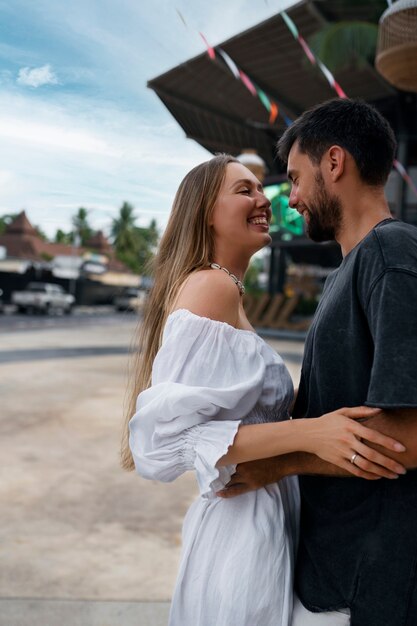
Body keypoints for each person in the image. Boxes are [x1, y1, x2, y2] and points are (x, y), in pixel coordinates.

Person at [121, 154, 405, 626]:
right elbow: (168, 440)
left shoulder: (227, 290)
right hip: (242, 527)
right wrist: (311, 434)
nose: (263, 200)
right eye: (244, 190)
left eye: (261, 189)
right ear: (205, 212)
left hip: (264, 512)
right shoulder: (212, 286)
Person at [219, 99, 417, 626]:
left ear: (334, 164)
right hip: (336, 573)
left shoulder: (391, 254)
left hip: (376, 586)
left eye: (297, 179)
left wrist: (280, 462)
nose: (294, 199)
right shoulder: (351, 270)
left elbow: (412, 434)